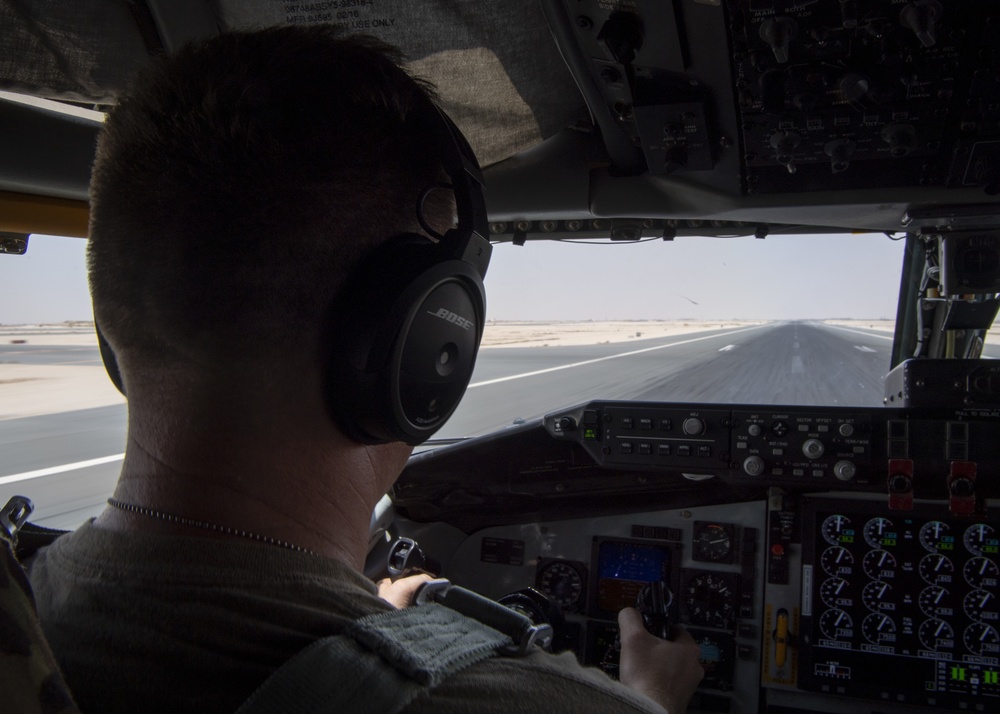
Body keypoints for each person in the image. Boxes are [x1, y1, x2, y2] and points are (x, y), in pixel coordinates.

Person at [29, 25, 703, 713]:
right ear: (420, 356)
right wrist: (647, 701)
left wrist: (377, 621)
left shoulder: (20, 615)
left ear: (113, 331)